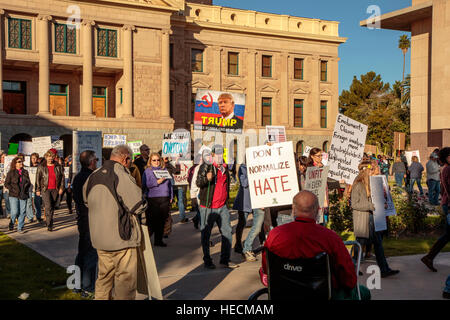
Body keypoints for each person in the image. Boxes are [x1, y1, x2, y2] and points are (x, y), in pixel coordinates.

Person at [262, 191, 370, 300]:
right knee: (364, 292)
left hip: (284, 294)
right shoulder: (330, 238)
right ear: (318, 210)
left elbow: (267, 269)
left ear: (293, 209)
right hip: (323, 295)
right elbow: (349, 279)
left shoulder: (274, 235)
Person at [83, 145, 146, 300]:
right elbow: (138, 205)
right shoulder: (120, 174)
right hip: (121, 239)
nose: (131, 165)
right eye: (130, 161)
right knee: (125, 282)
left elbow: (86, 201)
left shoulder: (93, 176)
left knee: (104, 279)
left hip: (100, 238)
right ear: (126, 159)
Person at [351, 160, 399, 278]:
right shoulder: (358, 184)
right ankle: (351, 268)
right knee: (359, 244)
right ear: (366, 170)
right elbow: (354, 204)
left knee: (378, 243)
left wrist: (382, 203)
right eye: (371, 169)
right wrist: (372, 206)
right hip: (363, 219)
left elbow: (374, 199)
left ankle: (384, 269)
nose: (374, 171)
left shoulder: (371, 183)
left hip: (373, 218)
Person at [196, 144, 238, 269]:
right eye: (217, 154)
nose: (219, 156)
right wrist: (206, 179)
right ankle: (207, 260)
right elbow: (198, 182)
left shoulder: (224, 169)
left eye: (221, 154)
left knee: (227, 232)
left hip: (222, 206)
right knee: (206, 234)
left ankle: (225, 260)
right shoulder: (206, 166)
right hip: (208, 206)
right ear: (212, 155)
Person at [72, 150, 98, 296]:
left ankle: (77, 284)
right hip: (90, 219)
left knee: (82, 252)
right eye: (96, 159)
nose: (97, 162)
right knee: (91, 254)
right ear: (91, 162)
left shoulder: (78, 177)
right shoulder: (91, 178)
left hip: (82, 219)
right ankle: (87, 287)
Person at [421, 147, 450, 272]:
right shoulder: (448, 169)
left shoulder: (445, 169)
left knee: (448, 235)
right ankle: (429, 257)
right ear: (446, 157)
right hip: (449, 204)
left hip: (446, 202)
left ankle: (429, 257)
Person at [233, 160, 265, 262]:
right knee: (242, 223)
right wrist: (254, 173)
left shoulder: (263, 166)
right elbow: (244, 183)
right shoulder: (243, 167)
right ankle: (238, 243)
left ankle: (258, 244)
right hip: (245, 201)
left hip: (258, 201)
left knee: (259, 226)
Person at [142, 153, 173, 247]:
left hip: (165, 197)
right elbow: (145, 185)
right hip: (153, 198)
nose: (156, 162)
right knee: (151, 222)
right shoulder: (147, 171)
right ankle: (145, 242)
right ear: (150, 161)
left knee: (162, 221)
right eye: (154, 160)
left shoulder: (165, 170)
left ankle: (158, 240)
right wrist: (157, 182)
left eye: (158, 160)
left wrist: (171, 196)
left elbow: (170, 184)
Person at [36, 149, 65, 232]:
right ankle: (49, 224)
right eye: (48, 157)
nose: (50, 159)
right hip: (45, 189)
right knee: (48, 206)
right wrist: (37, 189)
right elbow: (37, 179)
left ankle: (49, 220)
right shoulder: (41, 166)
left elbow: (62, 178)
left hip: (55, 189)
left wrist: (61, 188)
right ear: (46, 157)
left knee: (52, 206)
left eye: (52, 157)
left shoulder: (58, 166)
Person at [5, 157, 31, 233]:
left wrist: (26, 188)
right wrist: (12, 189)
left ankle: (20, 228)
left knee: (22, 211)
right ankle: (12, 223)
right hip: (13, 194)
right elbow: (6, 183)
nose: (21, 163)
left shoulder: (25, 172)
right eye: (19, 162)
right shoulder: (11, 172)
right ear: (15, 164)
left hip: (23, 194)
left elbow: (28, 182)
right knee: (15, 211)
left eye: (22, 161)